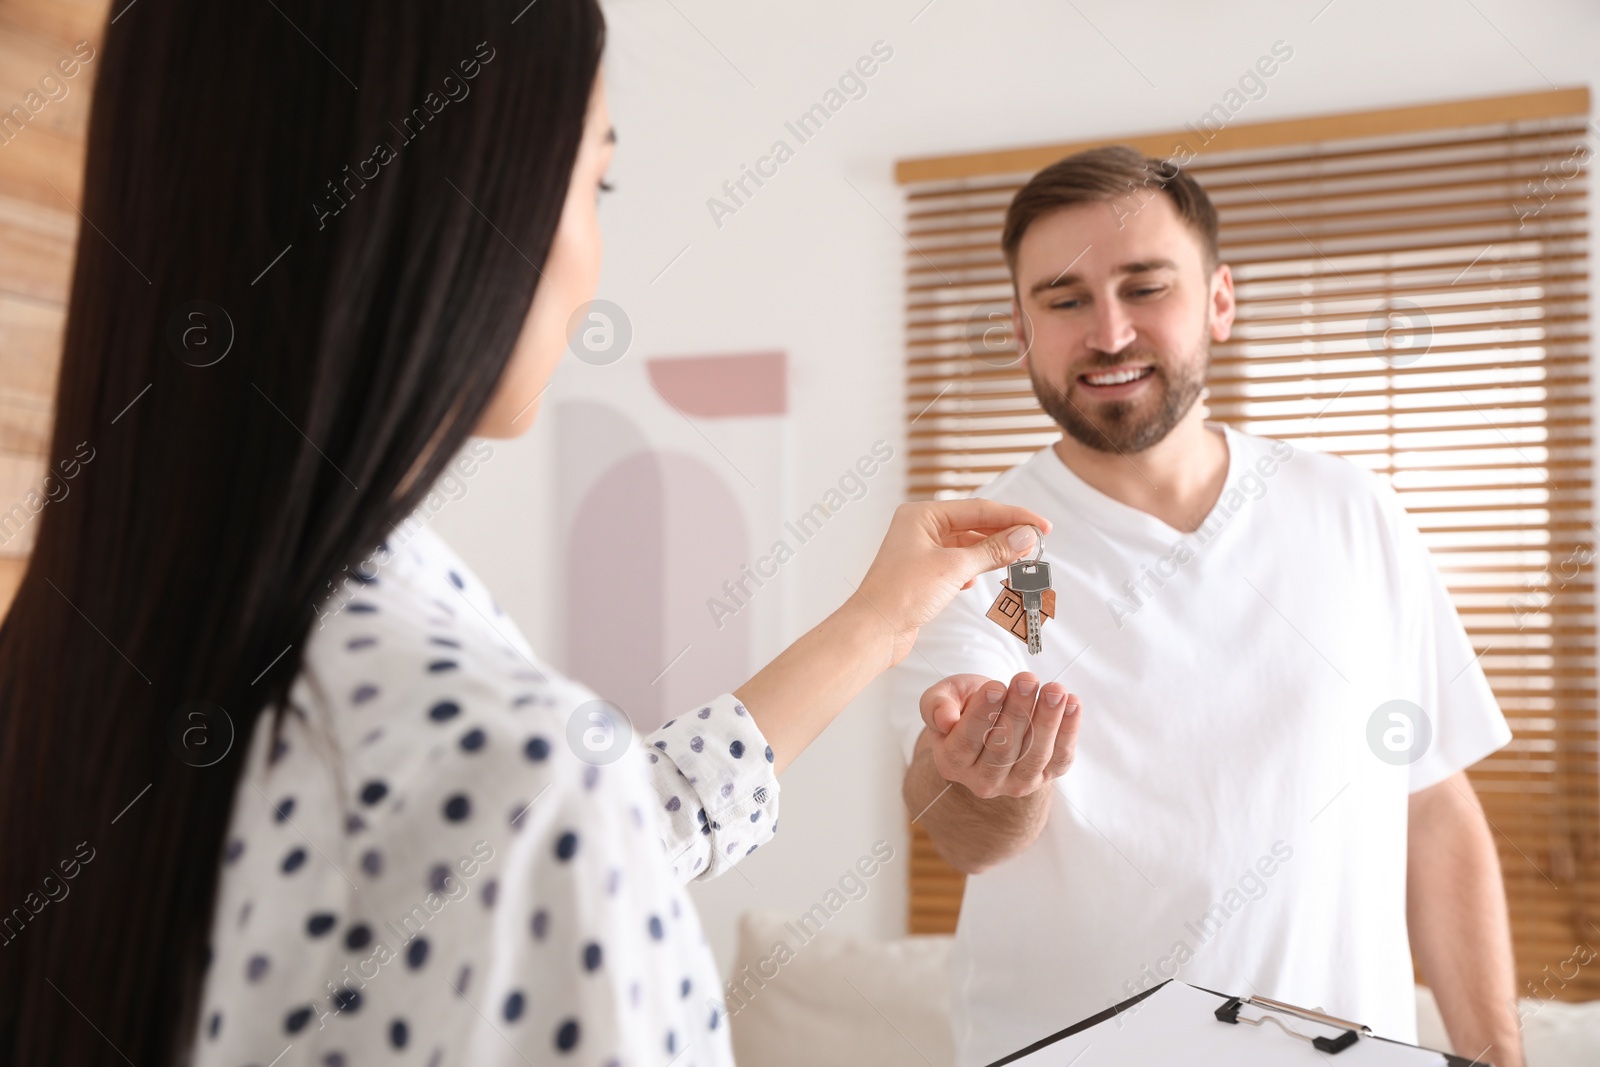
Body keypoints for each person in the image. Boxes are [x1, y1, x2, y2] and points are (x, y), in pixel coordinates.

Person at [0, 3, 1053, 1064]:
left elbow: (602, 830)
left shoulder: (77, 656)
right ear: (438, 207)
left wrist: (877, 622)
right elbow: (545, 824)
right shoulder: (510, 772)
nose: (595, 254)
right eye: (595, 182)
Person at [894, 145, 1524, 1067]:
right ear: (1022, 329)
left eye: (1145, 288)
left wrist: (1498, 1055)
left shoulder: (1353, 511)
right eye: (1064, 301)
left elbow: (1431, 806)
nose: (1108, 333)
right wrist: (989, 773)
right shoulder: (984, 553)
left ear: (1220, 301)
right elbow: (964, 827)